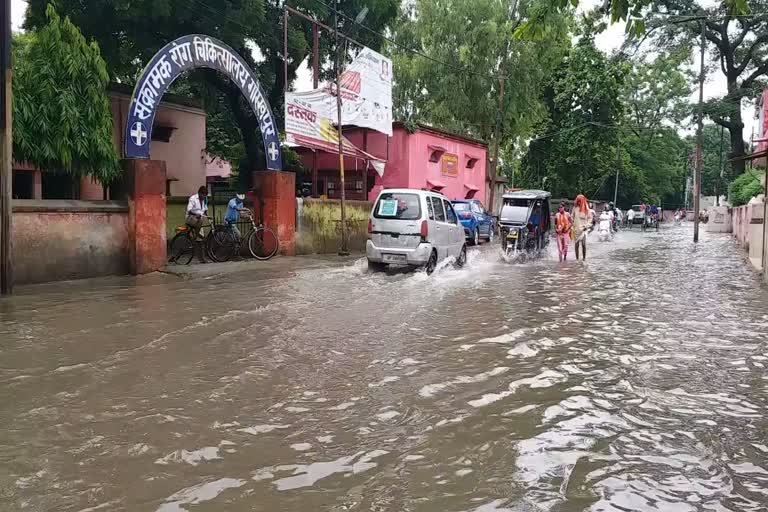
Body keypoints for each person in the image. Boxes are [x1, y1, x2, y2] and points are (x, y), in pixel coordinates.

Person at [185, 185, 209, 263]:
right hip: (191, 218)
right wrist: (196, 214)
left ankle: (201, 259)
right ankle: (196, 235)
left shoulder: (204, 200)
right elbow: (189, 210)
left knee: (201, 239)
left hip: (198, 221)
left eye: (205, 195)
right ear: (199, 193)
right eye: (203, 195)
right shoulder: (193, 198)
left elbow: (205, 210)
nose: (204, 197)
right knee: (200, 234)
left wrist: (209, 217)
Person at [572, 194, 591, 261]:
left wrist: (587, 226)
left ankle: (584, 258)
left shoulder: (586, 208)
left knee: (583, 244)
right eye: (578, 201)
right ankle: (577, 259)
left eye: (580, 201)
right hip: (576, 229)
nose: (579, 202)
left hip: (584, 229)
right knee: (576, 244)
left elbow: (590, 219)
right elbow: (572, 217)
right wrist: (572, 225)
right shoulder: (575, 208)